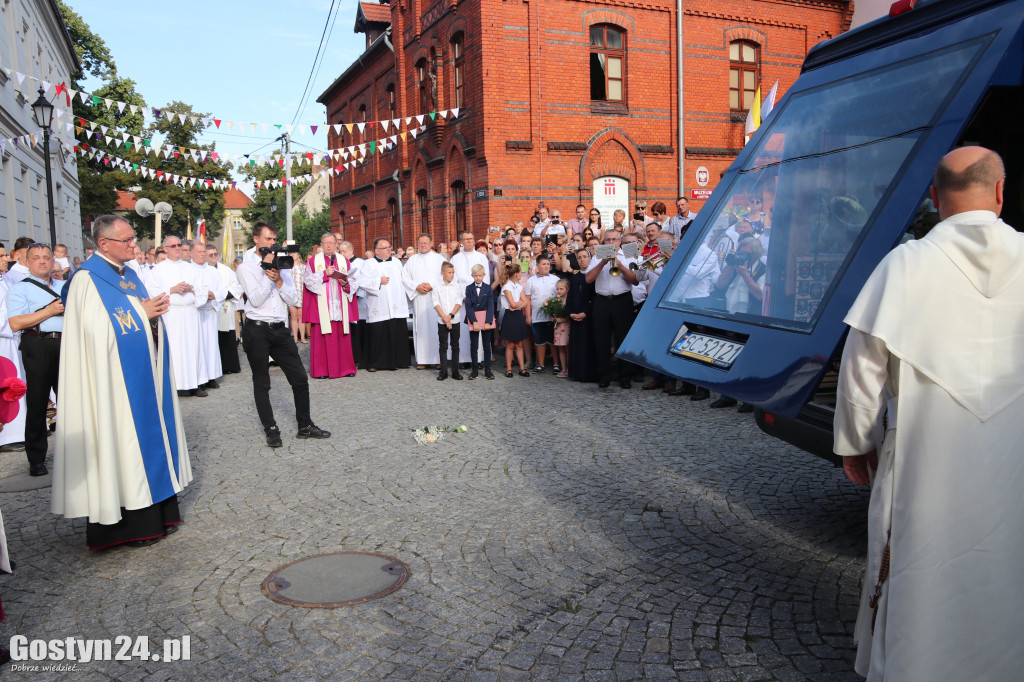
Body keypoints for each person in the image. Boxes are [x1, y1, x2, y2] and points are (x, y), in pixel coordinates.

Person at [833, 146, 1024, 682]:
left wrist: (854, 442)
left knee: (919, 561)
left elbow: (861, 372)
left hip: (924, 456)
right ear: (1001, 193)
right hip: (1015, 458)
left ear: (935, 197)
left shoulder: (905, 265)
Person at [53, 214, 190, 549]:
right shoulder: (87, 280)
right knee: (124, 443)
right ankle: (130, 527)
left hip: (142, 377)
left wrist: (153, 317)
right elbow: (94, 334)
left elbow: (137, 317)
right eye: (127, 240)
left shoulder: (129, 275)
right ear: (103, 244)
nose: (134, 244)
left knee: (150, 436)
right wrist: (142, 314)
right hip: (112, 385)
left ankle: (160, 513)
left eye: (133, 238)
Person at [236, 222, 331, 447]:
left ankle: (305, 425)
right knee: (262, 382)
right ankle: (271, 428)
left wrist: (278, 278)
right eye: (268, 239)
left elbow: (291, 298)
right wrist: (267, 277)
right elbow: (256, 299)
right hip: (257, 329)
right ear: (256, 239)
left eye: (273, 240)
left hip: (280, 329)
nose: (272, 244)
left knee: (299, 378)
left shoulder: (283, 265)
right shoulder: (246, 268)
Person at [6, 244, 65, 476]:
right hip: (37, 344)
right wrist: (49, 312)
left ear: (53, 261)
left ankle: (77, 451)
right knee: (39, 403)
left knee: (72, 400)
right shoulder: (19, 289)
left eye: (46, 258)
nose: (42, 262)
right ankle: (37, 459)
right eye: (36, 258)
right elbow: (16, 323)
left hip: (65, 343)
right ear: (27, 262)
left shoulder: (65, 286)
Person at [147, 235, 209, 397]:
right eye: (173, 246)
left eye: (179, 245)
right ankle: (174, 385)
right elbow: (150, 292)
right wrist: (171, 290)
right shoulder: (158, 270)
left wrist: (191, 288)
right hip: (171, 314)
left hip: (190, 313)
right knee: (174, 349)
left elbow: (203, 289)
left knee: (193, 348)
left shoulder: (191, 268)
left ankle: (195, 384)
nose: (177, 248)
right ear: (165, 249)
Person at [585, 229, 640, 388]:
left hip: (622, 300)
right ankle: (604, 375)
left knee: (623, 338)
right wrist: (602, 262)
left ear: (619, 241)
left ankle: (625, 376)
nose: (610, 243)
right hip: (601, 301)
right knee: (601, 340)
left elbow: (635, 281)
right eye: (607, 240)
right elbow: (588, 279)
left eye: (614, 240)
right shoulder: (596, 256)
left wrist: (621, 265)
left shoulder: (630, 254)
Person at [302, 232, 358, 379]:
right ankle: (322, 371)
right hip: (322, 306)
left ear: (336, 244)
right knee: (322, 337)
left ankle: (345, 369)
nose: (328, 245)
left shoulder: (344, 261)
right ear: (321, 244)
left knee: (342, 337)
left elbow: (354, 280)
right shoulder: (314, 262)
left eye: (331, 243)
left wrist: (346, 283)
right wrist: (324, 274)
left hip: (339, 304)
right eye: (325, 243)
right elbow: (307, 281)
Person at [358, 238, 409, 371]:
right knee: (378, 333)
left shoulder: (397, 262)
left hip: (396, 304)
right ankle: (375, 363)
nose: (389, 250)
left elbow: (404, 279)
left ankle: (399, 361)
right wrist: (378, 280)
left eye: (389, 247)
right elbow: (361, 282)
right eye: (385, 248)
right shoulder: (368, 263)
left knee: (396, 330)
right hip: (378, 305)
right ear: (376, 251)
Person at [402, 234, 446, 369]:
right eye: (420, 243)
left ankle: (439, 359)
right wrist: (416, 286)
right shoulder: (412, 260)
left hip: (435, 298)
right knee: (420, 328)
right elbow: (405, 278)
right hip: (419, 298)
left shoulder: (439, 259)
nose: (423, 245)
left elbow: (445, 275)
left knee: (436, 328)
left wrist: (431, 285)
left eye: (425, 243)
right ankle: (422, 360)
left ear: (431, 243)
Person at [451, 231, 490, 364]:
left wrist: (482, 296)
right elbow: (453, 280)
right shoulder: (455, 259)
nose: (468, 241)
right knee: (463, 331)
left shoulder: (481, 257)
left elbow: (487, 278)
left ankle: (478, 360)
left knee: (478, 328)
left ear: (474, 240)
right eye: (466, 239)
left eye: (471, 239)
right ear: (461, 242)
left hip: (479, 301)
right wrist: (462, 296)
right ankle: (464, 360)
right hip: (463, 300)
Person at [192, 243, 227, 391]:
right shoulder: (188, 270)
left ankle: (212, 376)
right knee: (198, 347)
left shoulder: (213, 271)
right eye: (199, 252)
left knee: (211, 346)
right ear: (192, 253)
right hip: (196, 313)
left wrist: (214, 296)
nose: (202, 254)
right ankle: (199, 379)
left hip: (210, 311)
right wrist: (202, 297)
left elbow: (223, 289)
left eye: (203, 252)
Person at [207, 245, 243, 375]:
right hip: (208, 307)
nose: (213, 257)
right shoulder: (202, 270)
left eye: (215, 254)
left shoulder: (226, 270)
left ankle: (229, 365)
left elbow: (236, 287)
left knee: (226, 334)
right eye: (210, 254)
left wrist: (223, 295)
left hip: (224, 305)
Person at [523, 254, 560, 373]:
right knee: (539, 341)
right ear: (537, 265)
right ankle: (541, 364)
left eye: (548, 264)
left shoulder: (555, 279)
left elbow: (559, 297)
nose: (546, 266)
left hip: (552, 317)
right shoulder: (531, 281)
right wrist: (528, 316)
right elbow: (528, 300)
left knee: (553, 341)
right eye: (543, 264)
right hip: (537, 316)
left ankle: (556, 364)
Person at [566, 247, 596, 382]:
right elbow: (570, 297)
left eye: (585, 257)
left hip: (588, 317)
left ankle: (588, 374)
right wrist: (571, 312)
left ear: (590, 258)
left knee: (588, 346)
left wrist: (585, 313)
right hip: (575, 316)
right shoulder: (575, 276)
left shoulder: (594, 275)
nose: (582, 260)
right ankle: (576, 373)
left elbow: (595, 297)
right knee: (576, 346)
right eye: (579, 257)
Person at [432, 261, 463, 381]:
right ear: (442, 273)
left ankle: (455, 371)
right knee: (443, 346)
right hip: (442, 320)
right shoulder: (437, 287)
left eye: (453, 272)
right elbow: (436, 303)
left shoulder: (457, 286)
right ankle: (443, 371)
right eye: (449, 272)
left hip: (455, 319)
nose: (452, 275)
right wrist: (444, 317)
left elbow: (459, 302)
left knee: (455, 346)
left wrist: (450, 316)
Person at [464, 264, 495, 380]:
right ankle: (474, 370)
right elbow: (468, 306)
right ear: (472, 276)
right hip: (474, 320)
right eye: (475, 276)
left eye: (480, 275)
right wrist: (474, 321)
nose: (477, 278)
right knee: (474, 346)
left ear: (484, 275)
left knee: (487, 346)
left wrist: (488, 321)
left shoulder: (488, 288)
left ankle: (488, 370)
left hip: (486, 319)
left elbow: (491, 305)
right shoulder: (469, 288)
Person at [500, 263, 529, 377]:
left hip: (517, 315)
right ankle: (509, 369)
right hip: (510, 316)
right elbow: (511, 303)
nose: (521, 274)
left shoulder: (518, 286)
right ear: (516, 274)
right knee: (511, 344)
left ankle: (522, 368)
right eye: (520, 272)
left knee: (520, 343)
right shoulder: (507, 287)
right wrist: (518, 304)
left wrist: (518, 305)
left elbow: (525, 302)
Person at [551, 278, 570, 377]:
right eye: (557, 289)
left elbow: (570, 316)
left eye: (561, 289)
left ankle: (570, 369)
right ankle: (563, 368)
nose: (558, 291)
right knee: (561, 348)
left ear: (567, 289)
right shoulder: (555, 301)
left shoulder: (569, 301)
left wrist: (562, 319)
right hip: (558, 327)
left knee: (567, 347)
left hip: (566, 327)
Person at [290, 252, 307, 344]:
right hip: (291, 294)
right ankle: (295, 337)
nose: (292, 255)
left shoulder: (303, 267)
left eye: (294, 253)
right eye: (291, 253)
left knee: (301, 316)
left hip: (301, 293)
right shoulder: (287, 267)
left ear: (298, 255)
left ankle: (303, 337)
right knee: (293, 316)